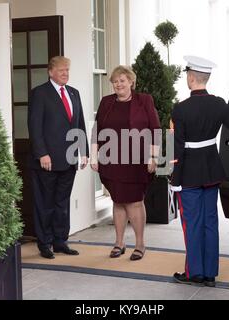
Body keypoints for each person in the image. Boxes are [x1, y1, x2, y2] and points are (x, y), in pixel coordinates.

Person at [171, 56, 229, 287]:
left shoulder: (181, 109)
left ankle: (195, 273)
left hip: (189, 174)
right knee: (210, 222)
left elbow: (178, 148)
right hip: (212, 171)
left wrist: (174, 178)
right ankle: (210, 274)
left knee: (191, 223)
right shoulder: (219, 104)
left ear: (191, 78)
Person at [91, 66, 161, 261]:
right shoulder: (106, 102)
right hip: (111, 159)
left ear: (131, 81)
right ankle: (119, 243)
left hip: (137, 161)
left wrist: (153, 156)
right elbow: (97, 130)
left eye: (122, 80)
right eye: (115, 81)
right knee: (118, 201)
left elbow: (155, 128)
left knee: (135, 202)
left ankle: (140, 244)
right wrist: (94, 155)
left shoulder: (144, 100)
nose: (118, 84)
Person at [28, 56, 89, 259]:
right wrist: (42, 154)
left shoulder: (74, 93)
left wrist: (84, 152)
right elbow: (34, 127)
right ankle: (44, 243)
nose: (65, 73)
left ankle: (60, 241)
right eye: (61, 70)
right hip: (47, 160)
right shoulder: (40, 93)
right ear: (50, 72)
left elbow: (79, 124)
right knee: (45, 203)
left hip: (69, 159)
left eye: (67, 70)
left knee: (62, 203)